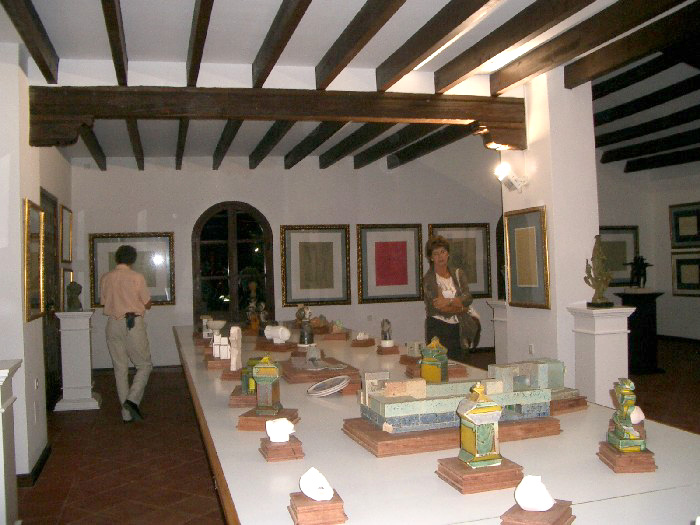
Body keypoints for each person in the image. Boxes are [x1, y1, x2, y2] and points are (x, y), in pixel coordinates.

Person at [100, 245, 152, 423]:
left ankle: (126, 415)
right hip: (132, 323)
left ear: (117, 258)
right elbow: (147, 303)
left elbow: (104, 301)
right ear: (133, 259)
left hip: (113, 324)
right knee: (144, 365)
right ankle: (132, 400)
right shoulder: (137, 277)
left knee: (120, 369)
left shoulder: (106, 277)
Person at [423, 235, 480, 360]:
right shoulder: (429, 280)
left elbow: (468, 298)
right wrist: (463, 308)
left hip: (459, 327)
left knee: (461, 364)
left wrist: (448, 301)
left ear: (448, 253)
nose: (440, 256)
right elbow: (440, 309)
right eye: (436, 254)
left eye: (443, 252)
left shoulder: (458, 274)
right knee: (440, 364)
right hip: (438, 328)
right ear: (431, 258)